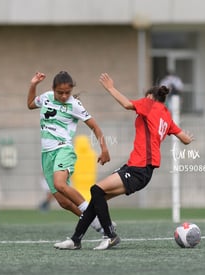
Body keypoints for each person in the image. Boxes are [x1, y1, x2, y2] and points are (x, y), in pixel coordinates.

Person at [54, 73, 193, 250]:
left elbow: (127, 104)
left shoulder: (150, 104)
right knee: (98, 198)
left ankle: (110, 235)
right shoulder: (166, 116)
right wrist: (188, 138)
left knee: (96, 190)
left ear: (150, 97)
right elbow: (185, 139)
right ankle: (76, 239)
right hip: (142, 171)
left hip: (138, 167)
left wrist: (110, 88)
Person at [27, 71, 111, 233]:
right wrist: (33, 84)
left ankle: (98, 216)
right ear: (53, 89)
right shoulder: (46, 97)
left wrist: (104, 148)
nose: (64, 96)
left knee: (60, 184)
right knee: (63, 202)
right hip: (47, 154)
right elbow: (30, 104)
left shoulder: (75, 105)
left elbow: (95, 126)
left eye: (67, 92)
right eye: (60, 92)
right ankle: (99, 226)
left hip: (63, 149)